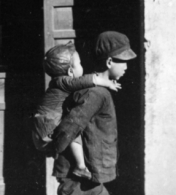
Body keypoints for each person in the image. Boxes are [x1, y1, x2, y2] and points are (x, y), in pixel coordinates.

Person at [51, 31, 137, 195]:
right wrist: (56, 147)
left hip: (88, 178)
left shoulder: (97, 90)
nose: (126, 67)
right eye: (124, 62)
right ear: (109, 61)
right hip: (79, 179)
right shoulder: (96, 94)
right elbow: (69, 127)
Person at [33, 42, 121, 180]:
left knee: (71, 132)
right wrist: (106, 82)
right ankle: (80, 166)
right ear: (70, 71)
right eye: (79, 64)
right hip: (48, 123)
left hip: (45, 122)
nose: (82, 67)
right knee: (72, 132)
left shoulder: (58, 82)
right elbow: (82, 81)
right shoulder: (64, 81)